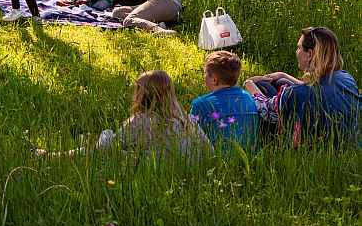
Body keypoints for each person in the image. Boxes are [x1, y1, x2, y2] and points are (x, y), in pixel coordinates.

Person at [43, 71, 209, 159]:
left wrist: (106, 135)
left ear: (141, 95)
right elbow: (209, 148)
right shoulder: (185, 118)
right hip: (180, 168)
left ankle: (52, 156)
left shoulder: (142, 121)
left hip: (152, 169)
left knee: (103, 151)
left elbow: (107, 148)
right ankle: (83, 137)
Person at [244, 27, 361, 148]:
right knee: (282, 81)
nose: (296, 51)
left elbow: (265, 109)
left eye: (299, 48)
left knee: (263, 86)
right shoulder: (346, 78)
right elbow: (317, 90)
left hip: (315, 152)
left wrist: (249, 82)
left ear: (309, 54)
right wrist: (285, 75)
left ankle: (268, 147)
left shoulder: (299, 93)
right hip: (348, 146)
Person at [190, 51, 259, 152]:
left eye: (205, 74)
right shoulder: (247, 97)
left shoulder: (200, 104)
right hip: (252, 156)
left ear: (214, 79)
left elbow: (192, 136)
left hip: (218, 160)